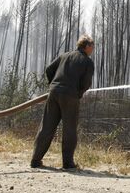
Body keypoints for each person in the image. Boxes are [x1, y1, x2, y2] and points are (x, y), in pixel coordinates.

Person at [31, 35, 95, 170]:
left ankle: (35, 160)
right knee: (69, 129)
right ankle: (68, 163)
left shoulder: (64, 55)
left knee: (47, 127)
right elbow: (87, 82)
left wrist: (53, 86)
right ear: (87, 46)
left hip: (53, 94)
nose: (93, 49)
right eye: (92, 46)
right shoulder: (87, 62)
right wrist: (79, 93)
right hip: (70, 96)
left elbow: (49, 69)